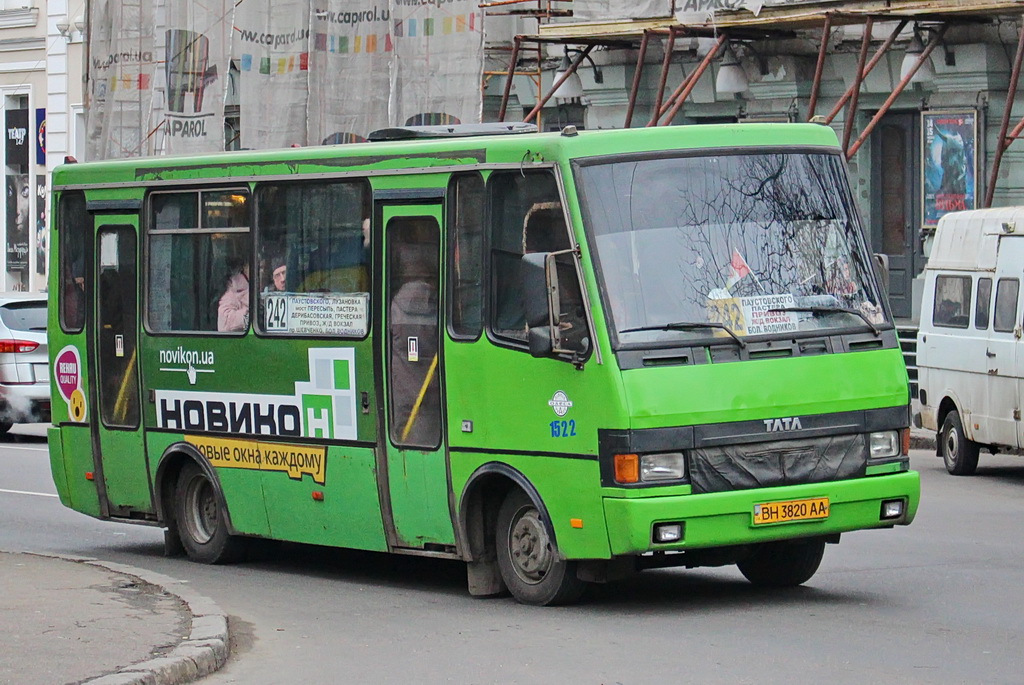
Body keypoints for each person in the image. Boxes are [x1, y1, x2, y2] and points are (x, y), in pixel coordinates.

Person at [218, 261, 249, 332]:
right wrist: (252, 317)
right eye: (257, 267)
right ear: (245, 268)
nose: (259, 272)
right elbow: (224, 322)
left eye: (263, 268)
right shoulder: (234, 289)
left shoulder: (272, 288)